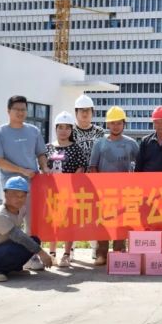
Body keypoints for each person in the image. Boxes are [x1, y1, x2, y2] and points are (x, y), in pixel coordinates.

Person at [0, 95, 50, 270]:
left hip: (33, 184)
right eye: (17, 109)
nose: (21, 113)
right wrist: (22, 170)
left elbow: (41, 153)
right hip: (11, 188)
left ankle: (30, 257)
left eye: (23, 109)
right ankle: (11, 258)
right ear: (8, 111)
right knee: (12, 223)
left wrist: (44, 167)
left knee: (32, 221)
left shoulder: (33, 131)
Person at [0, 176, 53, 282]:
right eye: (15, 195)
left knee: (34, 240)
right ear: (5, 194)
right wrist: (42, 253)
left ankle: (13, 268)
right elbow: (18, 236)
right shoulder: (0, 215)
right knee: (23, 244)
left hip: (1, 248)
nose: (19, 199)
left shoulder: (21, 209)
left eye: (22, 196)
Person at [89, 106, 139, 266]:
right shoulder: (100, 144)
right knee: (103, 222)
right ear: (107, 124)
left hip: (125, 192)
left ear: (124, 124)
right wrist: (98, 187)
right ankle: (101, 254)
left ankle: (119, 251)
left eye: (119, 123)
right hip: (104, 192)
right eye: (112, 123)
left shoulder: (132, 144)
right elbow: (93, 167)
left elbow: (139, 167)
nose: (115, 126)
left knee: (122, 222)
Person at [44, 111, 89, 268]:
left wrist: (69, 184)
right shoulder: (48, 148)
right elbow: (43, 168)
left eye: (67, 127)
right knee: (53, 222)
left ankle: (67, 254)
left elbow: (81, 167)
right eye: (60, 127)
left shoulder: (76, 148)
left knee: (69, 223)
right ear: (55, 128)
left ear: (71, 130)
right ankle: (52, 253)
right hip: (52, 193)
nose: (63, 131)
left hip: (70, 192)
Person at [72, 94, 105, 259]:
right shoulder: (70, 130)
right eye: (81, 110)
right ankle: (70, 249)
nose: (85, 113)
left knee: (94, 215)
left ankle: (95, 247)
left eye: (88, 110)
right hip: (74, 179)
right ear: (76, 112)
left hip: (95, 180)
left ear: (92, 112)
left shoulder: (99, 131)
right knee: (73, 215)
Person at [135, 106, 162, 172]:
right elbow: (139, 165)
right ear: (153, 123)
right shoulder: (145, 141)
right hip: (148, 178)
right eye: (157, 122)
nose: (160, 125)